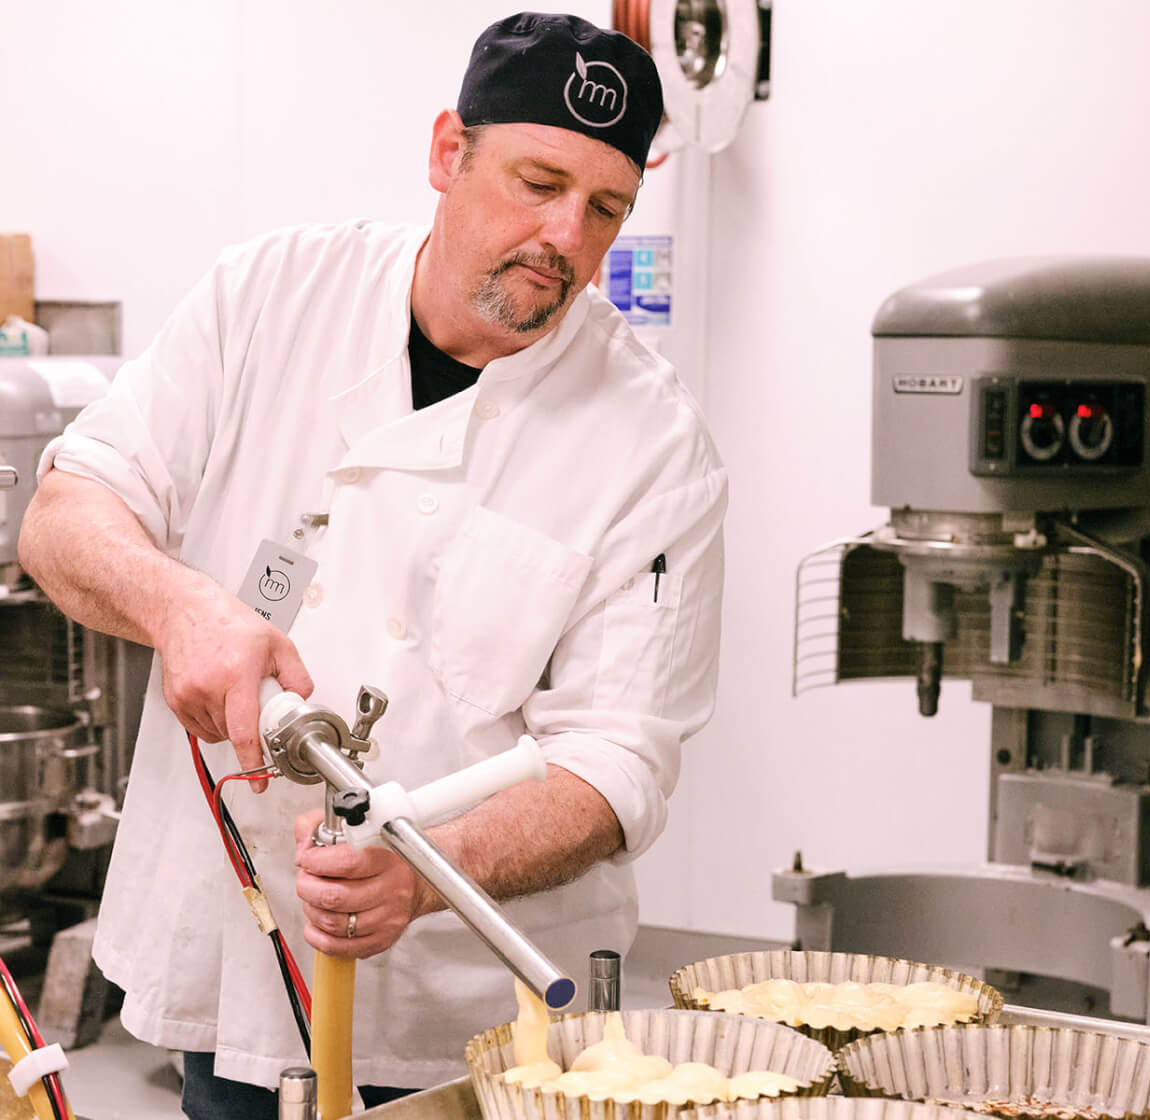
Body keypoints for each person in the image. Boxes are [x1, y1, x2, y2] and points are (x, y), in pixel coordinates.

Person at [17, 11, 725, 1115]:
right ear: (448, 152)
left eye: (604, 208)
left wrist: (430, 863)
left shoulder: (651, 444)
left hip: (481, 1021)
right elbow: (67, 508)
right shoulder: (273, 296)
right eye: (535, 182)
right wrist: (182, 606)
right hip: (243, 949)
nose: (564, 236)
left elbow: (616, 762)